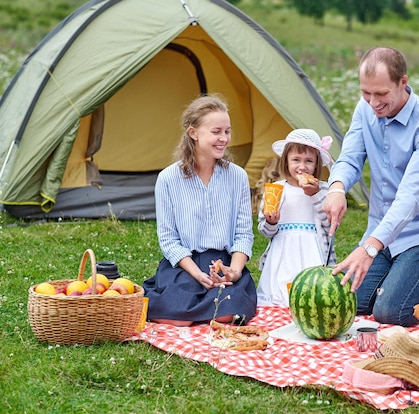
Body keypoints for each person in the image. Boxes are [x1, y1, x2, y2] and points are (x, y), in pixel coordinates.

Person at [323, 46, 419, 326]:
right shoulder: (365, 110)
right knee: (352, 302)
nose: (373, 103)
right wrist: (336, 188)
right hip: (381, 231)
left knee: (392, 312)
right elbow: (350, 158)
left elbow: (410, 199)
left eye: (381, 94)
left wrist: (369, 248)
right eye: (366, 93)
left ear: (403, 83)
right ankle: (397, 277)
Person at [142, 94, 257, 327]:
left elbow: (243, 234)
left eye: (227, 131)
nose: (223, 138)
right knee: (175, 316)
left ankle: (201, 312)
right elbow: (168, 240)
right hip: (186, 265)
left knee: (226, 314)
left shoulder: (238, 177)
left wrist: (233, 272)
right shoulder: (167, 179)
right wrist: (197, 274)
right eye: (216, 132)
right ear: (193, 133)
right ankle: (188, 311)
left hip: (225, 263)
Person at [257, 129, 335, 307]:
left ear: (317, 165)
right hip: (283, 249)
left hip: (312, 248)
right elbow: (264, 230)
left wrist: (314, 195)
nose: (302, 166)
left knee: (310, 293)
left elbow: (330, 223)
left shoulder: (323, 189)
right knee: (280, 291)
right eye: (296, 160)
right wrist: (271, 221)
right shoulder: (276, 189)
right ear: (286, 162)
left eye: (309, 161)